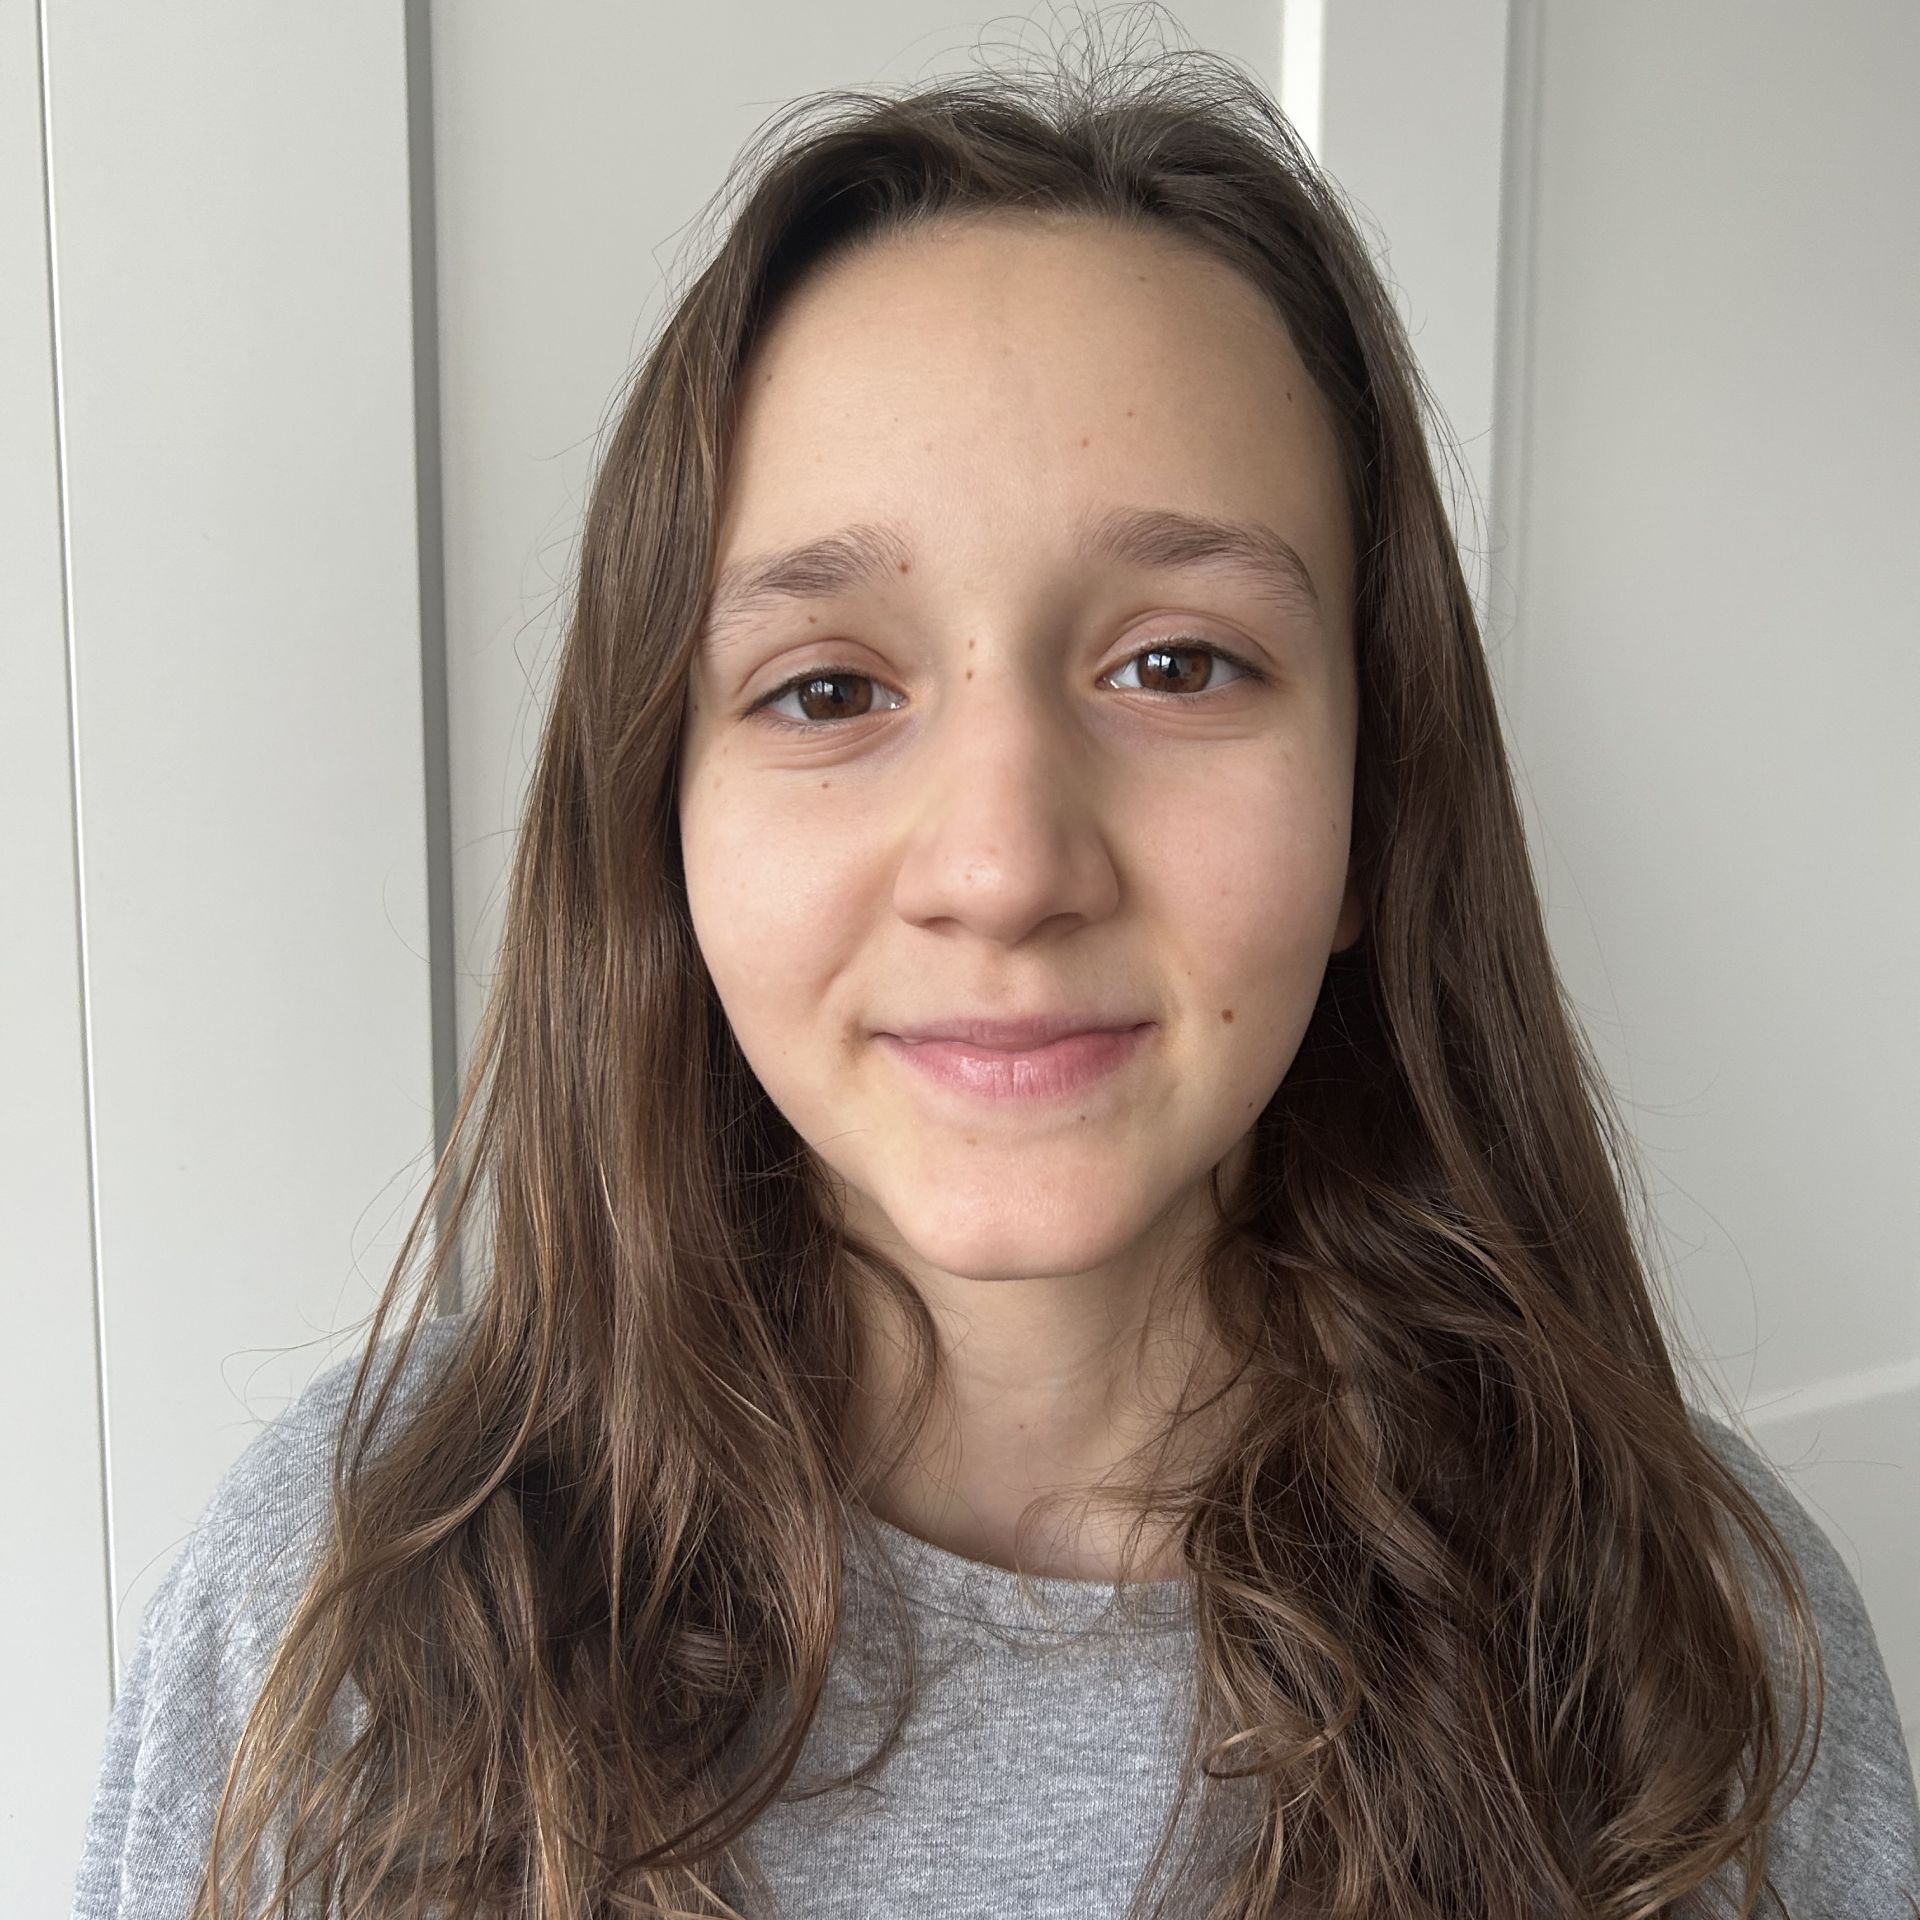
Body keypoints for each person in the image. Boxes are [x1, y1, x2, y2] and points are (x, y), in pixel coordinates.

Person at [70, 26, 1920, 1920]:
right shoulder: (337, 1602)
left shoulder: (1702, 1656)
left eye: (1177, 665)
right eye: (828, 690)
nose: (1004, 869)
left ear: (1378, 814)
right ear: (661, 830)